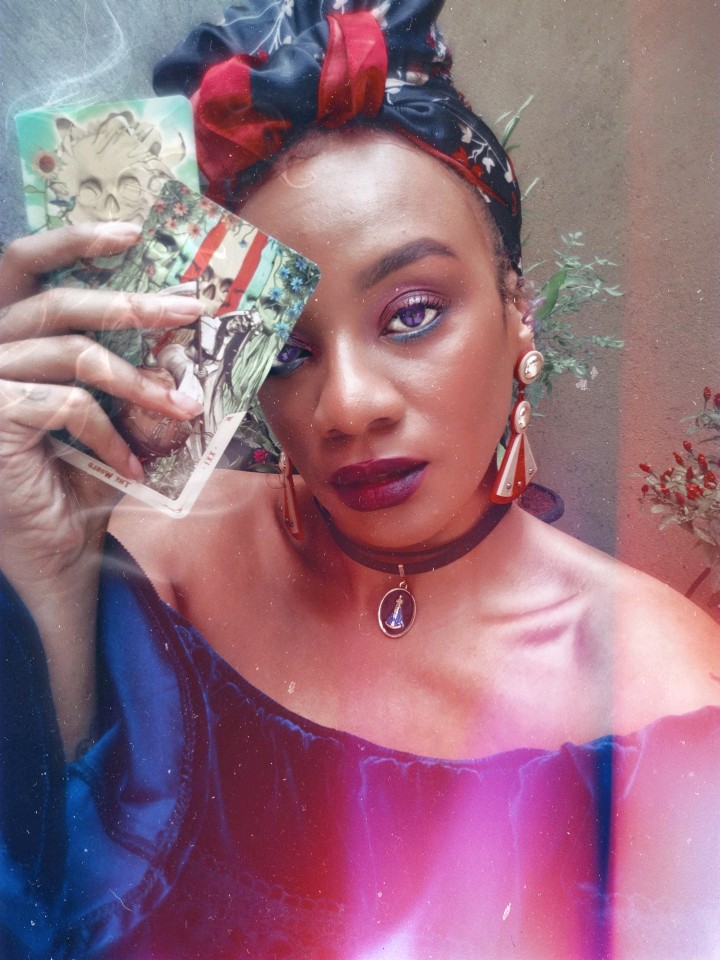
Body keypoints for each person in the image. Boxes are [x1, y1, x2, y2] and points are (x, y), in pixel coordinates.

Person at [1, 1, 720, 958]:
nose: (348, 406)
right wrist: (45, 572)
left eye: (412, 313)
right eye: (287, 352)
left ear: (517, 312)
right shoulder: (150, 564)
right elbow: (43, 895)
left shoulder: (660, 691)